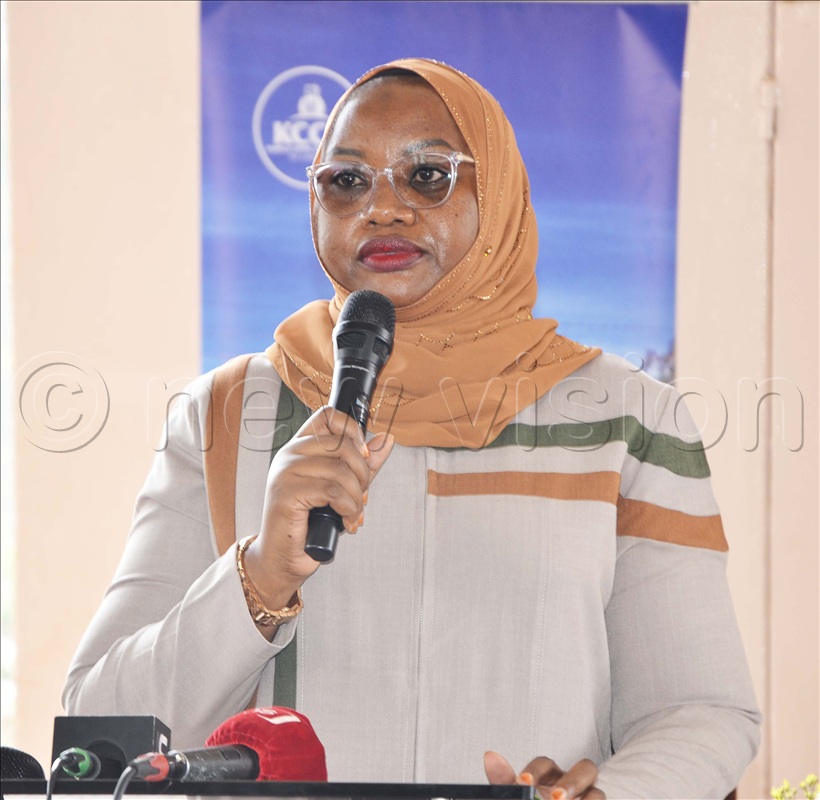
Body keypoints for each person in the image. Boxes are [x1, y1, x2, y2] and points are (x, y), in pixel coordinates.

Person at [63, 58, 761, 799]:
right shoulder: (228, 413)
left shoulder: (625, 418)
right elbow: (102, 728)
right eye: (347, 180)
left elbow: (701, 711)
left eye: (427, 175)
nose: (383, 208)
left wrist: (603, 796)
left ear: (493, 195)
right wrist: (261, 573)